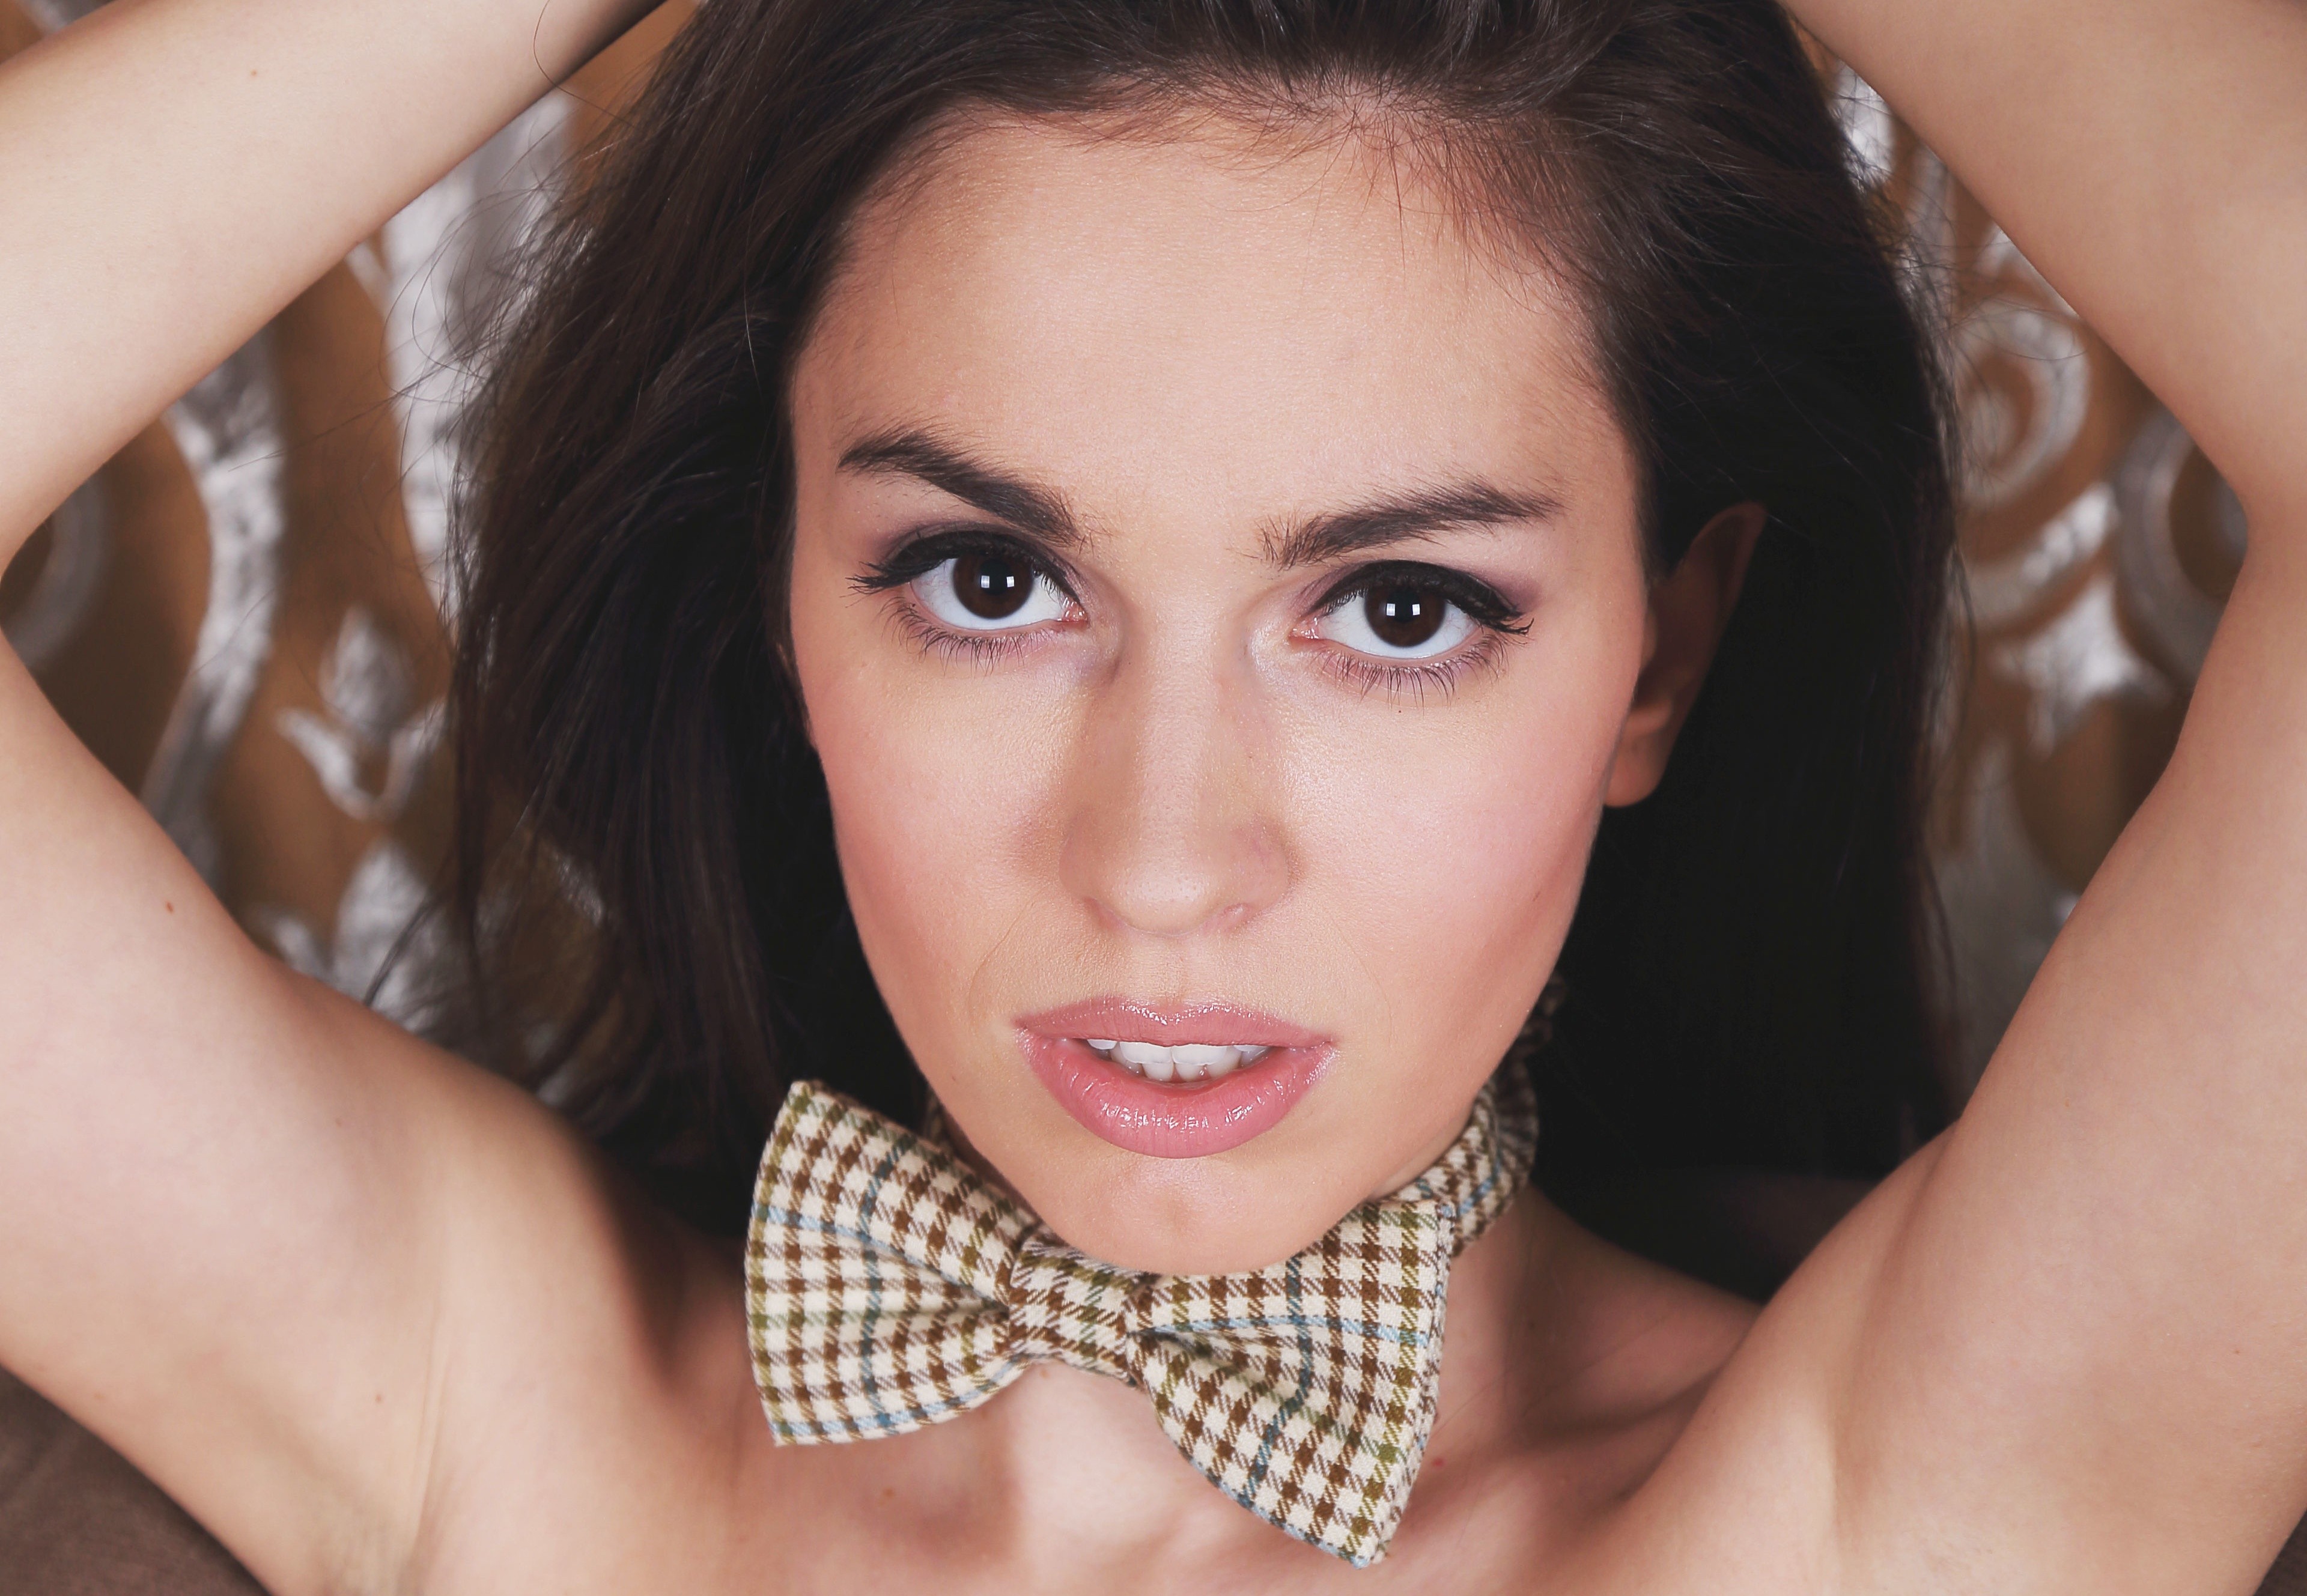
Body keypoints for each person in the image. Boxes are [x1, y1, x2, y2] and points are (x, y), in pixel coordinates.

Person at [1, 0, 2302, 1588]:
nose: (1166, 860)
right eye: (990, 581)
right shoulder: (481, 1392)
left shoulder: (1886, 1508)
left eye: (1400, 608)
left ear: (1659, 658)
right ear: (778, 601)